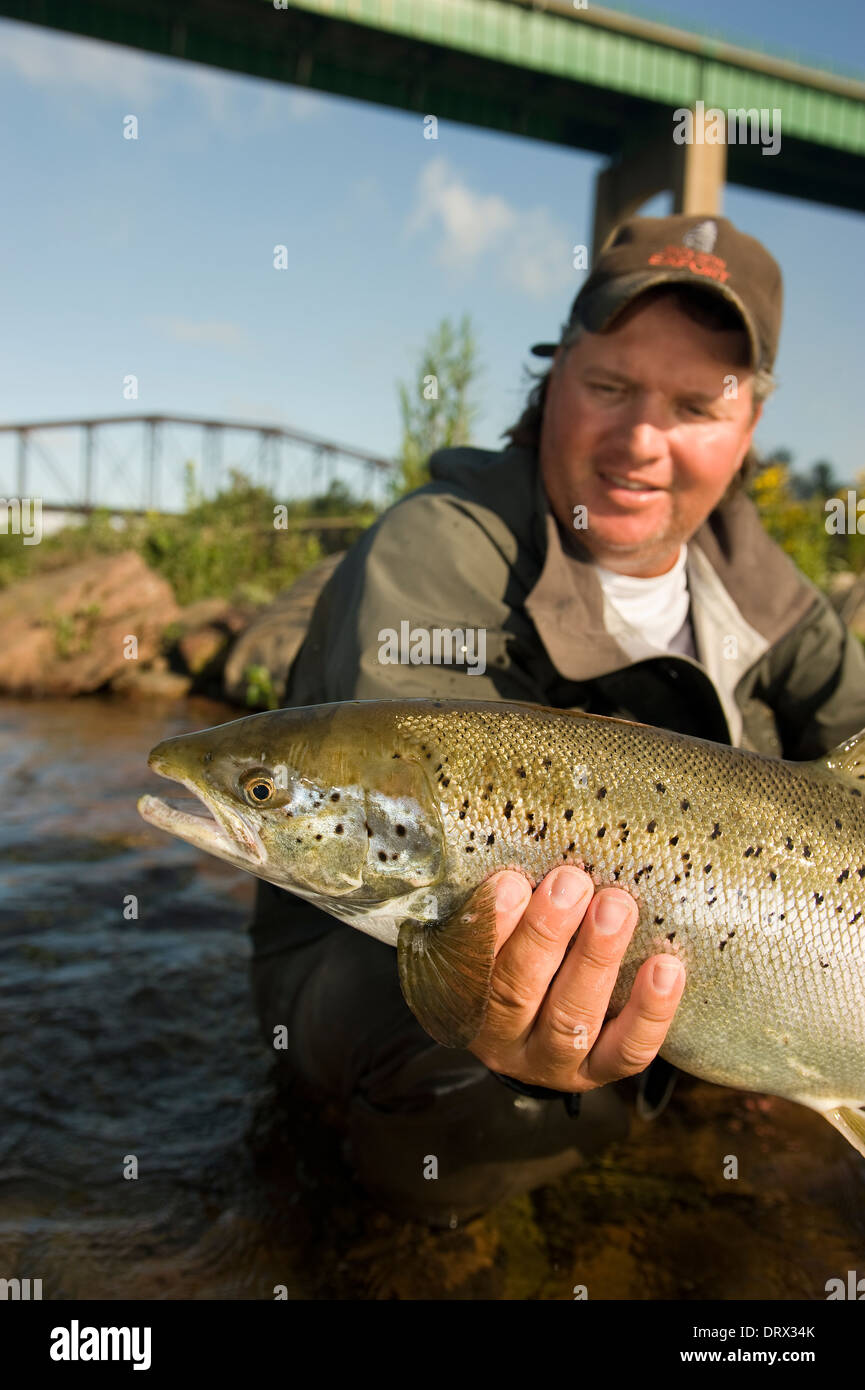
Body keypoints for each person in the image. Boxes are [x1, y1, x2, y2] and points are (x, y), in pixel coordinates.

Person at [249, 214, 865, 1226]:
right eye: (609, 386)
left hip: (709, 977)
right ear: (553, 379)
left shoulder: (778, 604)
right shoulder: (440, 548)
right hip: (365, 961)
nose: (639, 441)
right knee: (445, 1051)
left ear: (747, 427)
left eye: (693, 404)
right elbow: (405, 824)